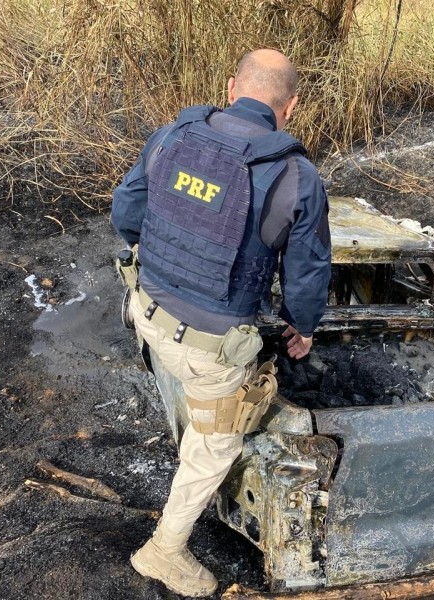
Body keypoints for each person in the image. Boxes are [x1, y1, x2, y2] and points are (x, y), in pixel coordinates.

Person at [110, 49, 331, 597]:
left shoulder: (172, 136)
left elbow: (126, 214)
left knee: (192, 375)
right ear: (291, 106)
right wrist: (302, 328)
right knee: (218, 442)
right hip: (207, 350)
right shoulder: (296, 176)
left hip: (146, 309)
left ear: (232, 88)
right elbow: (306, 276)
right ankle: (164, 551)